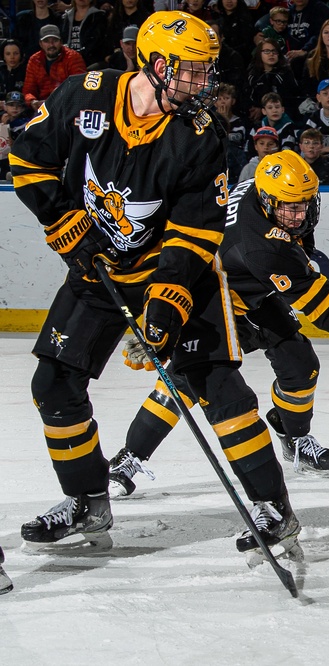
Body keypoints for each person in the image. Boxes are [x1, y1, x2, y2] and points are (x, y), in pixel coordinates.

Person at [9, 10, 299, 557]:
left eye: (206, 70)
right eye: (193, 70)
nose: (203, 82)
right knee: (54, 385)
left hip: (177, 276)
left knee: (218, 388)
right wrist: (60, 220)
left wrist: (165, 305)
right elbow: (27, 158)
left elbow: (193, 234)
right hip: (97, 268)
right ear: (157, 63)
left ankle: (273, 507)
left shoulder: (201, 135)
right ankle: (88, 501)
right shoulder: (83, 94)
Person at [107, 150, 329, 495]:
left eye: (305, 203)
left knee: (301, 366)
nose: (300, 213)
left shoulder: (262, 195)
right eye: (290, 206)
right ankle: (129, 456)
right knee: (183, 381)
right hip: (207, 302)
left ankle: (295, 438)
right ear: (268, 200)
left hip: (250, 290)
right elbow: (320, 302)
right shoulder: (261, 245)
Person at [22, 24, 85, 111]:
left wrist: (61, 93)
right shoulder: (34, 60)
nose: (51, 45)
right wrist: (32, 101)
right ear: (40, 44)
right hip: (41, 108)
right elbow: (28, 90)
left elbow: (79, 87)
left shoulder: (73, 57)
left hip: (67, 106)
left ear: (61, 42)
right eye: (46, 41)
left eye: (55, 40)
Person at [60, 0, 108, 68]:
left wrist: (78, 55)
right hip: (68, 60)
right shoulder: (66, 17)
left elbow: (97, 42)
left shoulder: (99, 16)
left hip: (90, 61)